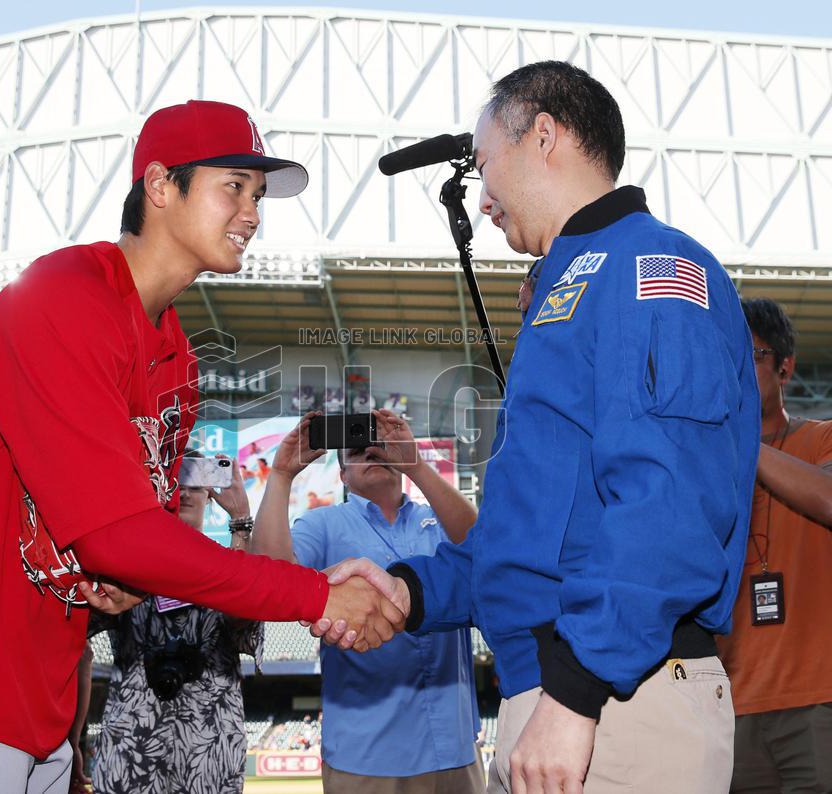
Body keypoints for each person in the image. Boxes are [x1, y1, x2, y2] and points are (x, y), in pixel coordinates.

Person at [0, 99, 403, 794]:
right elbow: (118, 535)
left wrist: (123, 577)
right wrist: (314, 594)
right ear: (160, 185)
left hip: (40, 701)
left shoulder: (177, 359)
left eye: (258, 195)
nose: (252, 212)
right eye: (234, 186)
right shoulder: (62, 295)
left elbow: (135, 541)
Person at [319, 61, 760, 794]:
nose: (481, 197)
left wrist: (578, 690)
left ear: (545, 137)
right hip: (566, 694)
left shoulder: (652, 265)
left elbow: (670, 507)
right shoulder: (570, 282)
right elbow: (529, 537)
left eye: (485, 163)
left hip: (612, 699)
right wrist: (410, 593)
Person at [254, 409, 484, 793]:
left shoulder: (439, 518)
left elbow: (484, 552)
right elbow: (270, 579)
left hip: (455, 750)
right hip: (367, 757)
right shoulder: (323, 524)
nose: (370, 451)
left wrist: (417, 466)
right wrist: (280, 476)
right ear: (342, 475)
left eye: (378, 446)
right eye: (356, 450)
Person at [92, 452, 263, 794]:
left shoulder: (228, 567)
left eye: (195, 484)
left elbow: (246, 616)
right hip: (132, 749)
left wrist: (241, 520)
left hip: (208, 753)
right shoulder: (126, 564)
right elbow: (79, 622)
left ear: (210, 495)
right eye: (173, 481)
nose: (183, 492)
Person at [717, 298, 832, 793]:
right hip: (730, 706)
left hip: (818, 701)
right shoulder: (709, 466)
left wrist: (742, 444)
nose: (738, 371)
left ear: (785, 367)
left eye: (753, 355)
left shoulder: (821, 439)